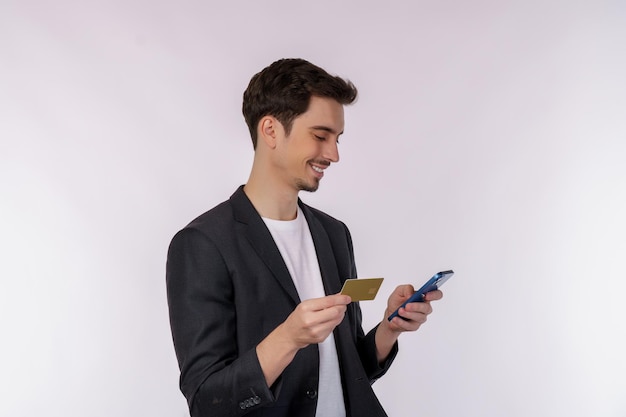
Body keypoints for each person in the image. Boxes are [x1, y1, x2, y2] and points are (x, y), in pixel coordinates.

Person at [166, 58, 443, 417]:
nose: (334, 154)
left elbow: (345, 369)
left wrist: (389, 328)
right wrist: (289, 338)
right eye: (320, 136)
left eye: (337, 138)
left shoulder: (334, 233)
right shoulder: (203, 244)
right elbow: (207, 403)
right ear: (270, 130)